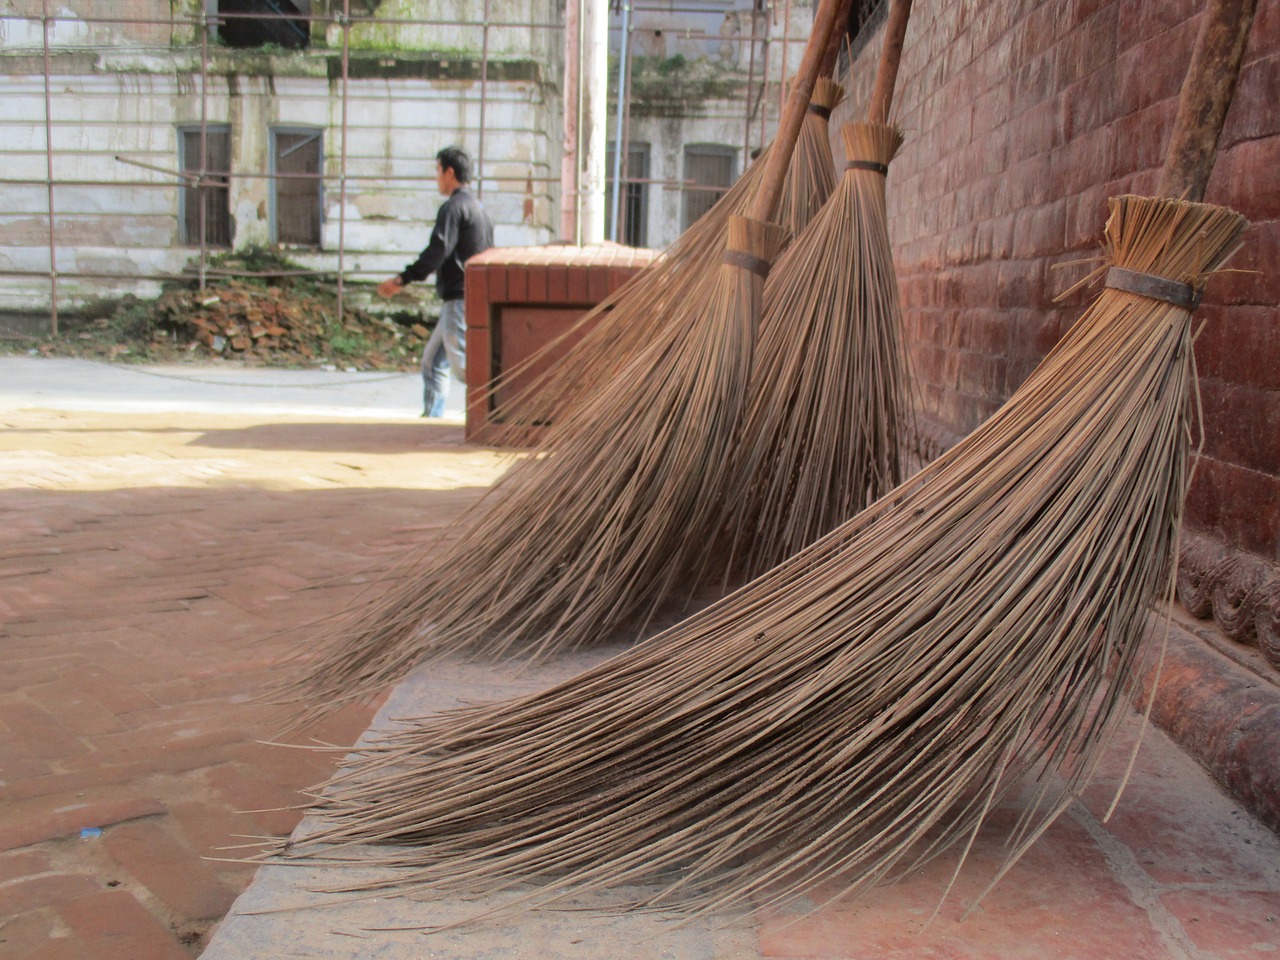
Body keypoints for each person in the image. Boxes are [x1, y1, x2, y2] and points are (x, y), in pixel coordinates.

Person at [378, 146, 494, 417]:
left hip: (460, 299)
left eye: (437, 171)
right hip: (468, 296)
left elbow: (438, 250)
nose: (436, 178)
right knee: (433, 362)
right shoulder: (479, 209)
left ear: (449, 172)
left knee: (468, 369)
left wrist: (403, 279)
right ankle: (432, 418)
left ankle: (499, 411)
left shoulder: (453, 208)